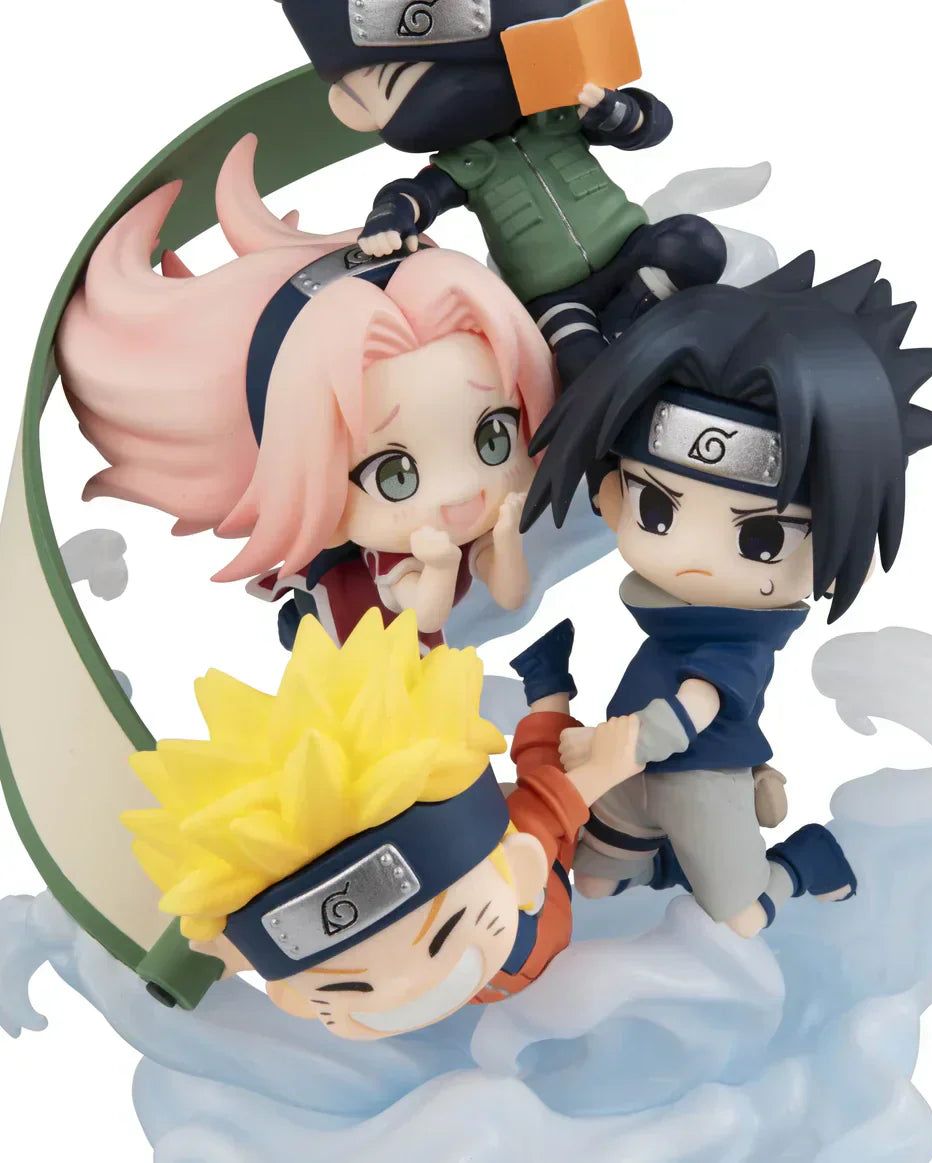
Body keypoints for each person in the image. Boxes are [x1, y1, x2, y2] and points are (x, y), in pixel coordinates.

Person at [521, 252, 932, 937]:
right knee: (597, 880)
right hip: (630, 780)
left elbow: (691, 712)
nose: (692, 555)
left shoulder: (737, 645)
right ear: (613, 493)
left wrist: (615, 744)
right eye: (657, 509)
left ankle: (803, 862)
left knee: (742, 919)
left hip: (697, 778)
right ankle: (676, 862)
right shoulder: (665, 616)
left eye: (762, 538)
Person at [57, 134, 556, 650]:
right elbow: (425, 612)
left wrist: (504, 540)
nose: (463, 494)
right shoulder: (400, 550)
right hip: (356, 636)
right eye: (395, 476)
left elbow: (510, 592)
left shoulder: (472, 522)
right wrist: (440, 564)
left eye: (494, 438)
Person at [122, 609, 643, 1039]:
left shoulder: (527, 851)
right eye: (348, 989)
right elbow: (244, 942)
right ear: (292, 1000)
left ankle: (548, 686)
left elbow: (555, 796)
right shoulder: (277, 938)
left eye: (441, 938)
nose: (402, 988)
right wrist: (212, 948)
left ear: (518, 869)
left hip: (548, 902)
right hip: (508, 980)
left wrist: (607, 767)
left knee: (543, 771)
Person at [277, 0, 727, 379]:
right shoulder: (465, 164)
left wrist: (616, 111)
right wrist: (390, 220)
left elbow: (651, 125)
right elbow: (416, 195)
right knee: (576, 361)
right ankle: (616, 347)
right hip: (554, 294)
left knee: (696, 243)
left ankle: (629, 319)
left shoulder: (559, 117)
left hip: (630, 247)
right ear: (354, 107)